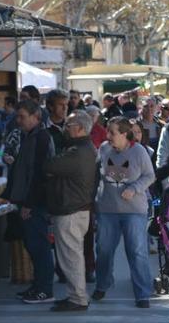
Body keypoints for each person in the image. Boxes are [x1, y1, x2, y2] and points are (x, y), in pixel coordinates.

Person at [94, 116, 155, 309]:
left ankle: (142, 293)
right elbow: (96, 174)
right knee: (103, 250)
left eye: (112, 132)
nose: (108, 136)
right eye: (108, 132)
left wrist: (135, 188)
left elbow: (150, 175)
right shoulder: (103, 149)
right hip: (107, 209)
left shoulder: (138, 152)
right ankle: (103, 284)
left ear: (124, 134)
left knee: (137, 251)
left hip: (134, 211)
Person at [1, 101, 55, 304]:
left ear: (35, 117)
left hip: (35, 203)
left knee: (39, 246)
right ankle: (38, 285)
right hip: (27, 200)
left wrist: (29, 204)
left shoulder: (41, 137)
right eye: (18, 116)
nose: (19, 120)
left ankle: (45, 289)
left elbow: (40, 174)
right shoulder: (28, 136)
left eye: (22, 116)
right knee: (32, 245)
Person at [43, 110, 98, 312]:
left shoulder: (78, 151)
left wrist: (52, 170)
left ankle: (78, 299)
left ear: (81, 129)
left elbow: (49, 165)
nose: (66, 128)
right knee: (72, 256)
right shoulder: (81, 148)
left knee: (71, 257)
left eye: (70, 125)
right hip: (75, 209)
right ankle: (76, 295)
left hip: (71, 211)